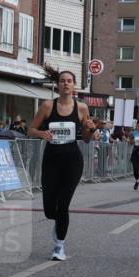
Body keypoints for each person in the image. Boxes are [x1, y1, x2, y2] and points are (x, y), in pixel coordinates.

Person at [29, 67, 97, 261]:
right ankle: (57, 224)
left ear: (74, 85)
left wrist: (91, 130)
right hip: (51, 160)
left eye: (69, 80)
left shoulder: (82, 108)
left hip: (72, 161)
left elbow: (85, 139)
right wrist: (42, 134)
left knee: (64, 204)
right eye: (62, 80)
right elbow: (31, 130)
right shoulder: (47, 106)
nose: (66, 83)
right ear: (57, 85)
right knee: (50, 209)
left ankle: (59, 246)